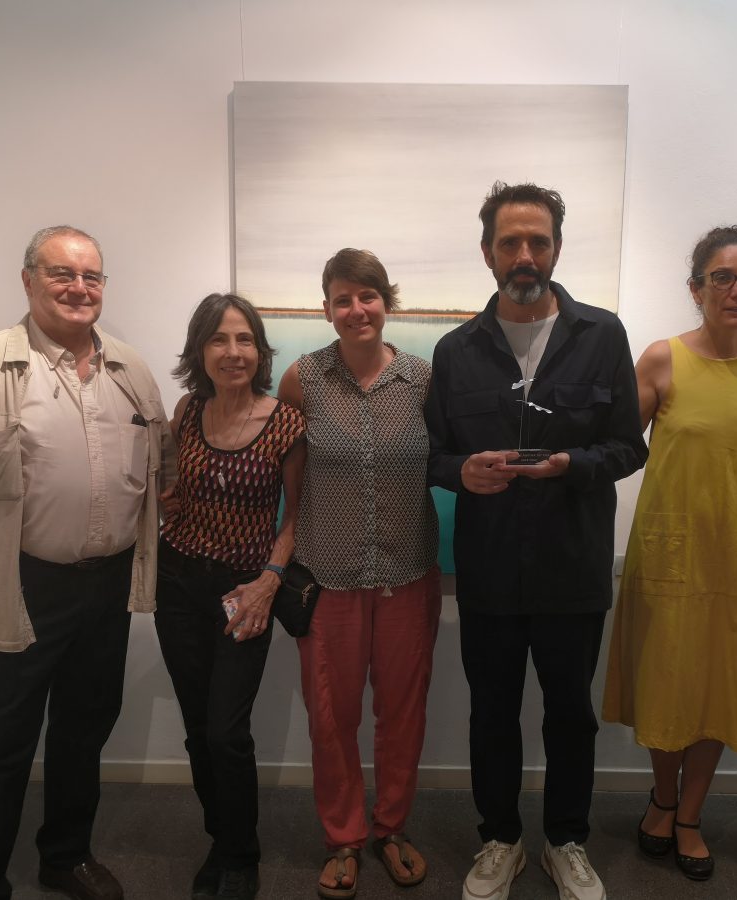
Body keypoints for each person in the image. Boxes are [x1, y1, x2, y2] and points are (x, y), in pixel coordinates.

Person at [0, 225, 169, 900]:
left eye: (91, 276)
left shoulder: (132, 372)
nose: (79, 288)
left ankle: (65, 856)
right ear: (28, 281)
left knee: (84, 731)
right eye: (61, 274)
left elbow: (160, 472)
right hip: (19, 587)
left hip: (107, 587)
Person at [425, 182, 648, 900]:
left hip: (572, 567)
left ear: (556, 248)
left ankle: (565, 841)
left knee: (571, 715)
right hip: (489, 568)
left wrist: (570, 465)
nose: (525, 255)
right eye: (510, 242)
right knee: (490, 713)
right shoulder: (456, 350)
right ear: (487, 251)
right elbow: (433, 456)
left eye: (538, 241)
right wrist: (462, 472)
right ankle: (501, 839)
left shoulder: (602, 335)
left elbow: (629, 447)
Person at [601, 226, 737, 882]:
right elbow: (614, 448)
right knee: (670, 680)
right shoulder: (662, 360)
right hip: (672, 551)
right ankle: (662, 798)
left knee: (721, 683)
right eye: (722, 278)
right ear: (696, 289)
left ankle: (689, 815)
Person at [277, 249, 441, 900]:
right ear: (327, 309)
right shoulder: (302, 380)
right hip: (330, 578)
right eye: (342, 299)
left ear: (386, 302)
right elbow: (291, 483)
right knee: (331, 716)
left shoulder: (422, 380)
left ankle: (391, 828)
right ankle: (342, 837)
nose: (356, 309)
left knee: (403, 713)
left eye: (367, 296)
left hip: (408, 574)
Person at [153, 293, 305, 900]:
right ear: (200, 350)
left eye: (245, 339)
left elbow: (297, 518)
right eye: (219, 339)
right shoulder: (188, 410)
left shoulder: (286, 422)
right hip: (178, 584)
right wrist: (165, 498)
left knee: (226, 732)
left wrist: (269, 581)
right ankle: (220, 840)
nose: (233, 352)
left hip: (244, 589)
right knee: (196, 727)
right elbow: (173, 488)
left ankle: (242, 855)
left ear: (261, 351)